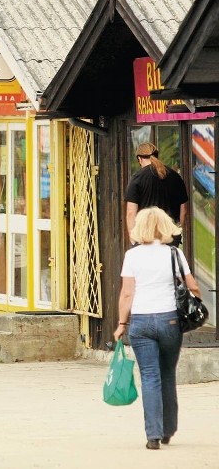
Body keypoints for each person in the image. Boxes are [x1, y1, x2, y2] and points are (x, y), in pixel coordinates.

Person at [114, 207, 201, 450]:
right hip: (169, 321)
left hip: (141, 323)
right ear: (165, 226)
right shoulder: (174, 254)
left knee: (150, 377)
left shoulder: (132, 256)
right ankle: (168, 430)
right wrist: (195, 301)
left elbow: (127, 293)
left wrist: (122, 324)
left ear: (139, 227)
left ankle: (152, 435)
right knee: (167, 374)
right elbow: (192, 286)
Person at [125, 142, 188, 243]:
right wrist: (178, 231)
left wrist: (133, 240)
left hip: (146, 237)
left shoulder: (137, 178)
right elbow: (183, 210)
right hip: (170, 235)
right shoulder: (175, 176)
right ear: (157, 156)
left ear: (139, 159)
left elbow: (131, 213)